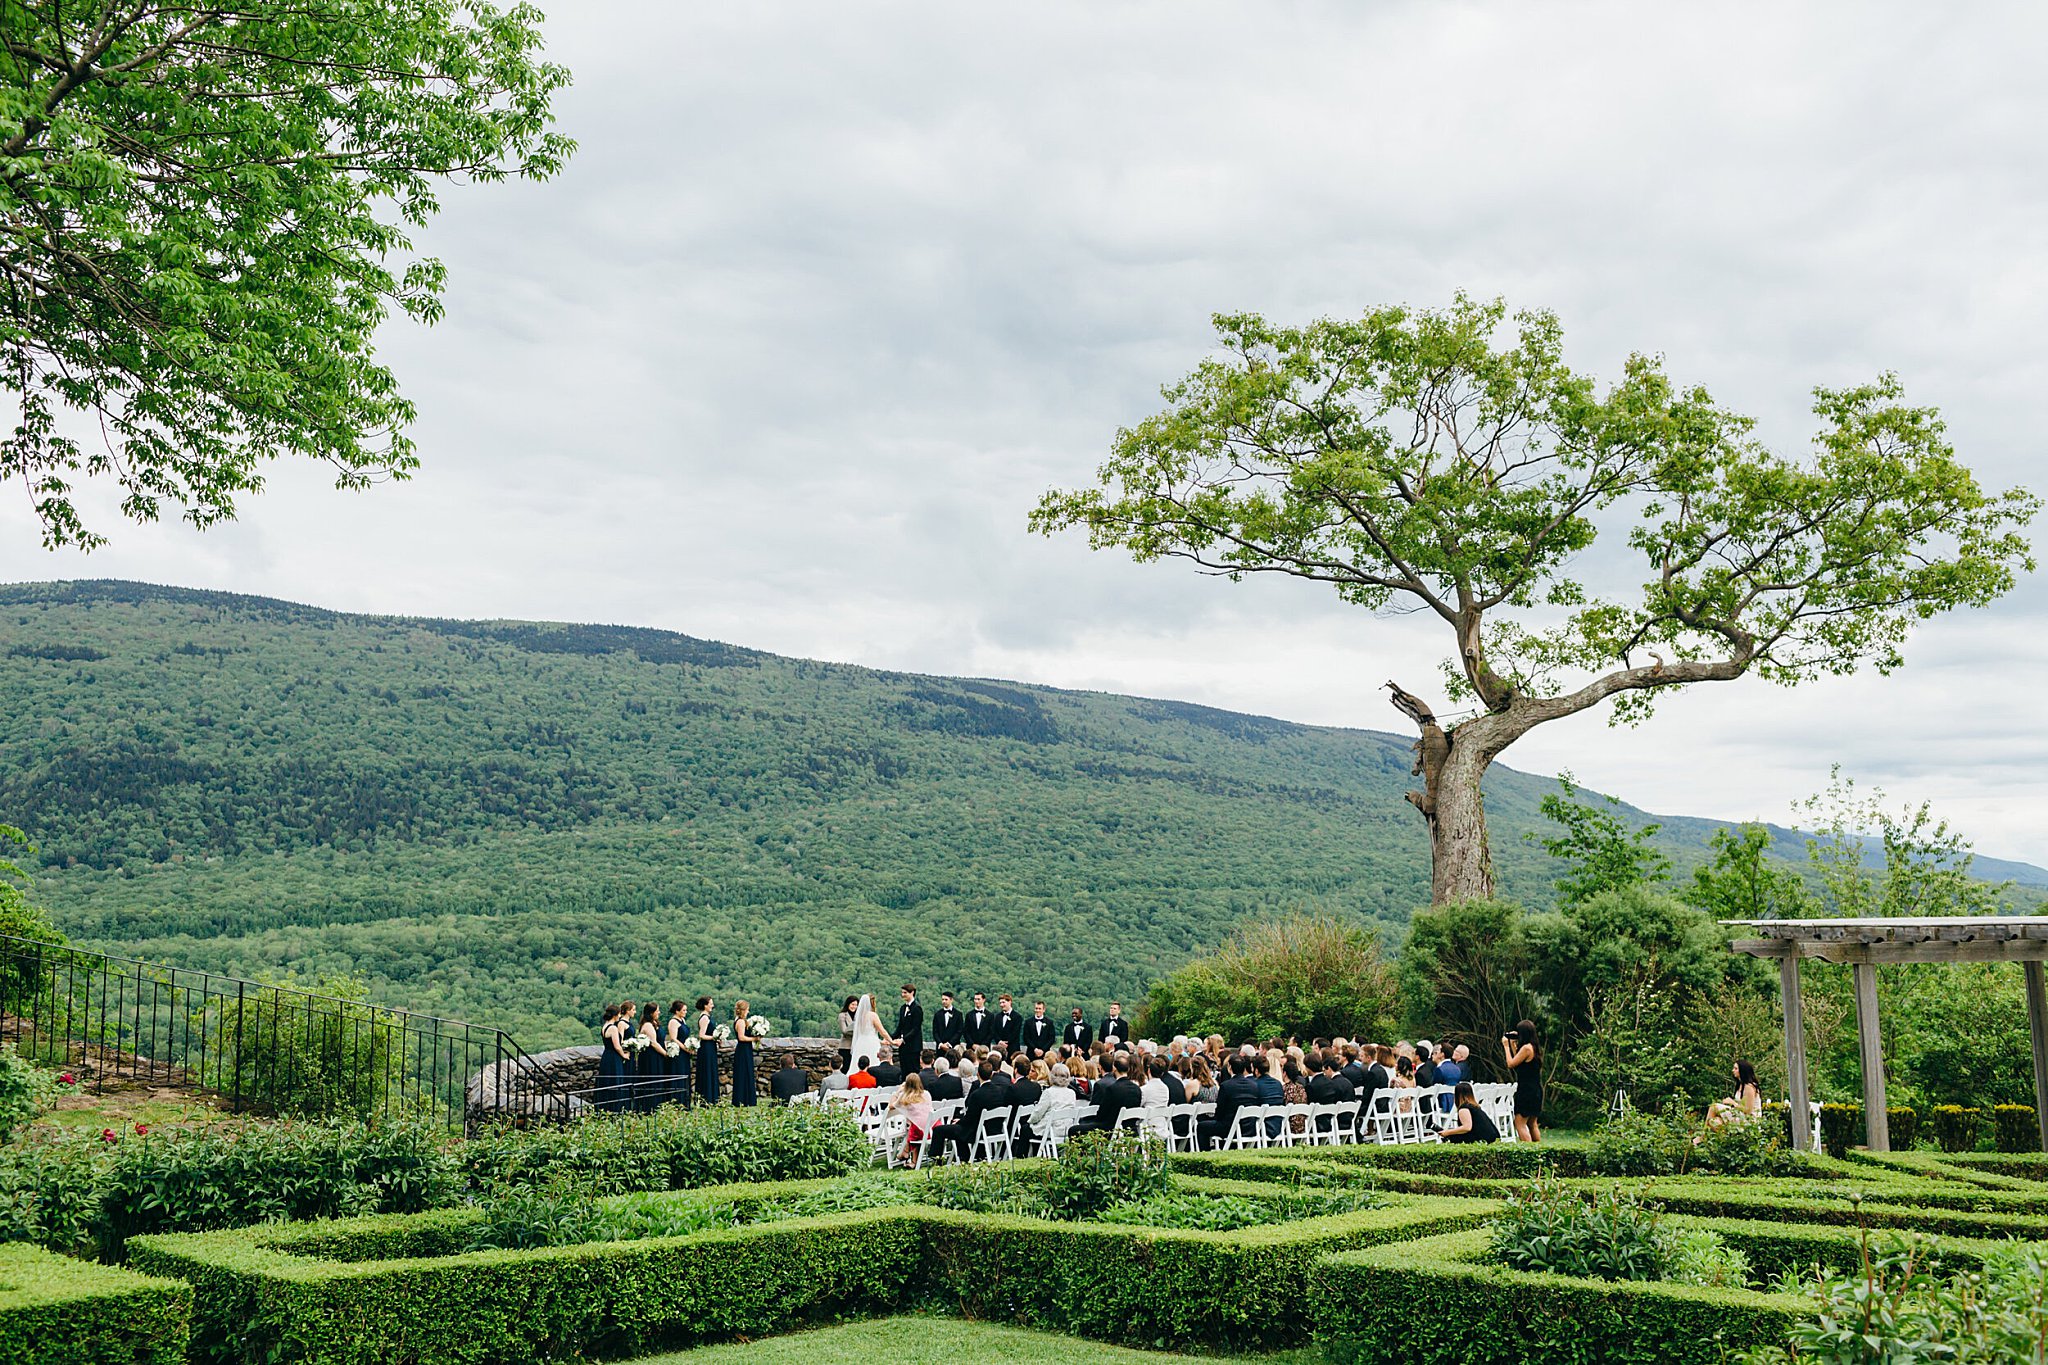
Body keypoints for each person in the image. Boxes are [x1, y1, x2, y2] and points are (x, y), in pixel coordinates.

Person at [931, 1059, 1012, 1162]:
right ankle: (964, 1158)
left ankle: (937, 1160)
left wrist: (959, 1121)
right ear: (991, 1075)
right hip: (995, 1128)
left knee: (940, 1130)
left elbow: (970, 1118)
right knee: (958, 1130)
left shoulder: (977, 1094)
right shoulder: (1000, 1091)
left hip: (978, 1130)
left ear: (978, 1074)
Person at [1197, 1055, 1262, 1150]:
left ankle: (1205, 1155)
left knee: (1201, 1126)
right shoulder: (1254, 1085)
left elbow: (1220, 1110)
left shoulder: (1226, 1086)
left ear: (1229, 1067)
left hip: (1229, 1128)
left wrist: (1217, 1119)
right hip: (1249, 1127)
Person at [1070, 1052, 1142, 1136]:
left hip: (1110, 1129)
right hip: (1130, 1130)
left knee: (1073, 1130)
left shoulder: (1113, 1089)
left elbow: (1102, 1114)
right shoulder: (1137, 1089)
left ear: (1114, 1068)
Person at [1015, 1063, 1080, 1155]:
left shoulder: (1049, 1092)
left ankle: (1021, 1157)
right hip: (1066, 1128)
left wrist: (1030, 1121)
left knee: (1026, 1128)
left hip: (1051, 1130)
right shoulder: (1071, 1093)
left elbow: (1038, 1113)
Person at [1505, 1019, 1543, 1143]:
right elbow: (1519, 1063)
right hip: (1535, 1089)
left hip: (1526, 1090)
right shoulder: (1534, 1047)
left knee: (1520, 1123)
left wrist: (1506, 1046)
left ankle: (1528, 1152)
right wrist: (1512, 1044)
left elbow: (1511, 1063)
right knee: (1532, 1123)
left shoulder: (1526, 1048)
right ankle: (1538, 1152)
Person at [888, 1072, 933, 1167]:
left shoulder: (905, 1097)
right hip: (932, 1127)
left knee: (914, 1126)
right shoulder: (927, 1094)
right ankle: (913, 1160)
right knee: (915, 1124)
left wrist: (897, 1092)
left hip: (920, 1130)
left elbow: (891, 1106)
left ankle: (905, 1152)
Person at [1707, 1060, 1764, 1130]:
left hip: (1749, 1120)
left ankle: (1702, 1136)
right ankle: (1723, 1138)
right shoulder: (1740, 1085)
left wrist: (1733, 1103)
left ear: (1742, 1071)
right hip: (1740, 1115)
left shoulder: (1749, 1087)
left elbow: (1748, 1110)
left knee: (1714, 1107)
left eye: (1736, 1068)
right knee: (1716, 1121)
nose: (1733, 1070)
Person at [595, 1004, 628, 1112]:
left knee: (607, 1081)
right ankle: (615, 1108)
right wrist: (624, 1055)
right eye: (618, 1014)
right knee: (615, 1080)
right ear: (615, 1015)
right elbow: (617, 1046)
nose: (619, 1016)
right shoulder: (613, 1028)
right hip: (614, 1058)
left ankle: (605, 1108)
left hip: (606, 1056)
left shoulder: (604, 1026)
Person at [729, 999, 759, 1105]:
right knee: (743, 1072)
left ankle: (746, 1098)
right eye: (747, 1009)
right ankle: (743, 1099)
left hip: (745, 1049)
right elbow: (741, 1037)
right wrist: (754, 1039)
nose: (748, 1012)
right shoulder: (740, 1022)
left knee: (746, 1072)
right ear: (743, 1010)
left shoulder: (740, 1020)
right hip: (743, 1049)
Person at [693, 996, 721, 1105]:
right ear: (705, 1005)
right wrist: (714, 1038)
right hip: (706, 1048)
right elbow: (701, 1035)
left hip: (710, 1047)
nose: (712, 1006)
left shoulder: (707, 1016)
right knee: (707, 1071)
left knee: (711, 1071)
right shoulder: (704, 1018)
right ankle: (707, 1098)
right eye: (711, 1003)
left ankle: (712, 1098)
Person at [665, 1000, 693, 1108]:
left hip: (685, 1053)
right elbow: (673, 1038)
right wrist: (685, 1048)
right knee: (678, 1073)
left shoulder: (683, 1020)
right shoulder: (673, 1022)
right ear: (677, 1011)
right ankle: (677, 1102)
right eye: (683, 1010)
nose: (685, 1012)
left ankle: (685, 1102)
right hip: (678, 1052)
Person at [891, 985, 925, 1072]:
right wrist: (890, 1038)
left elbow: (915, 1028)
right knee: (904, 1070)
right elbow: (900, 1027)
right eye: (902, 992)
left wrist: (903, 1039)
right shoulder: (902, 1008)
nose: (903, 995)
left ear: (912, 992)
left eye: (905, 993)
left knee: (913, 1070)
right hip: (903, 1048)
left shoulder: (917, 1008)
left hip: (913, 1047)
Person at [838, 996, 858, 1066]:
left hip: (856, 1047)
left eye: (856, 1005)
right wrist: (857, 1034)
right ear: (848, 1004)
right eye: (852, 1004)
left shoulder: (858, 1016)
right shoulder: (842, 1015)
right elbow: (844, 1031)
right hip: (846, 1047)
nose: (854, 1007)